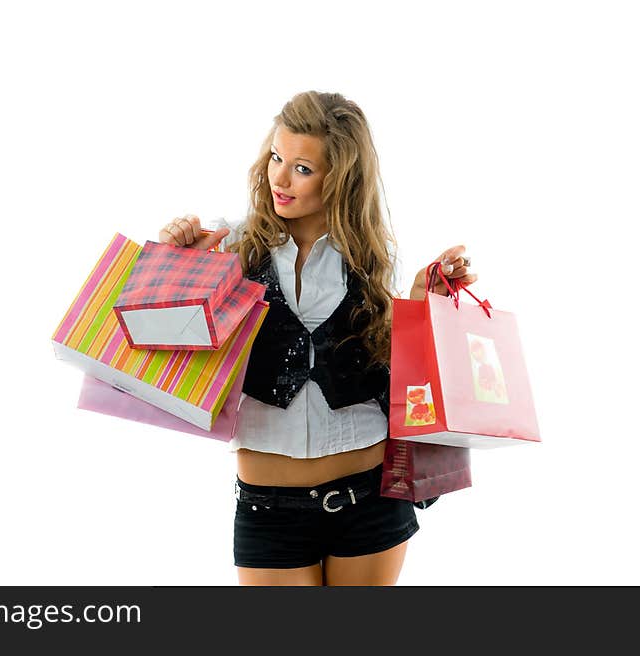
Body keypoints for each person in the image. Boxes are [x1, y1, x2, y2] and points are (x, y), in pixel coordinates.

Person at [158, 91, 478, 586]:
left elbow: (391, 372)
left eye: (303, 169)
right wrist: (175, 261)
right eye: (276, 158)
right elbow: (167, 342)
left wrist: (421, 303)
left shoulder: (374, 257)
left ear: (342, 178)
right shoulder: (231, 245)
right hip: (269, 510)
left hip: (369, 502)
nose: (280, 179)